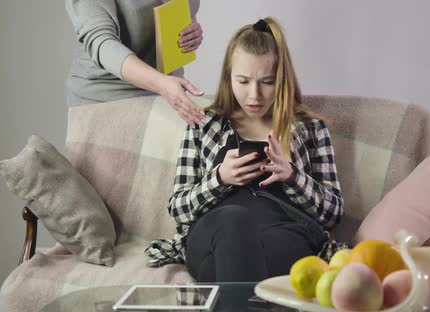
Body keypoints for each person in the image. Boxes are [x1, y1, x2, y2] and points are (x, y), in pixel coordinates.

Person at [145, 17, 347, 282]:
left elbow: (333, 214)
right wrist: (219, 179)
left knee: (242, 264)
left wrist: (293, 176)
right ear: (228, 78)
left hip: (283, 232)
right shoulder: (202, 124)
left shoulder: (311, 128)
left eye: (267, 82)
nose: (254, 96)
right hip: (215, 233)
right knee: (234, 221)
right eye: (243, 81)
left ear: (282, 79)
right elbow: (179, 209)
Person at [65, 0, 205, 126]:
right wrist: (160, 83)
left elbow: (185, 9)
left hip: (167, 89)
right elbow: (101, 43)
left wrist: (190, 28)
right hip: (106, 95)